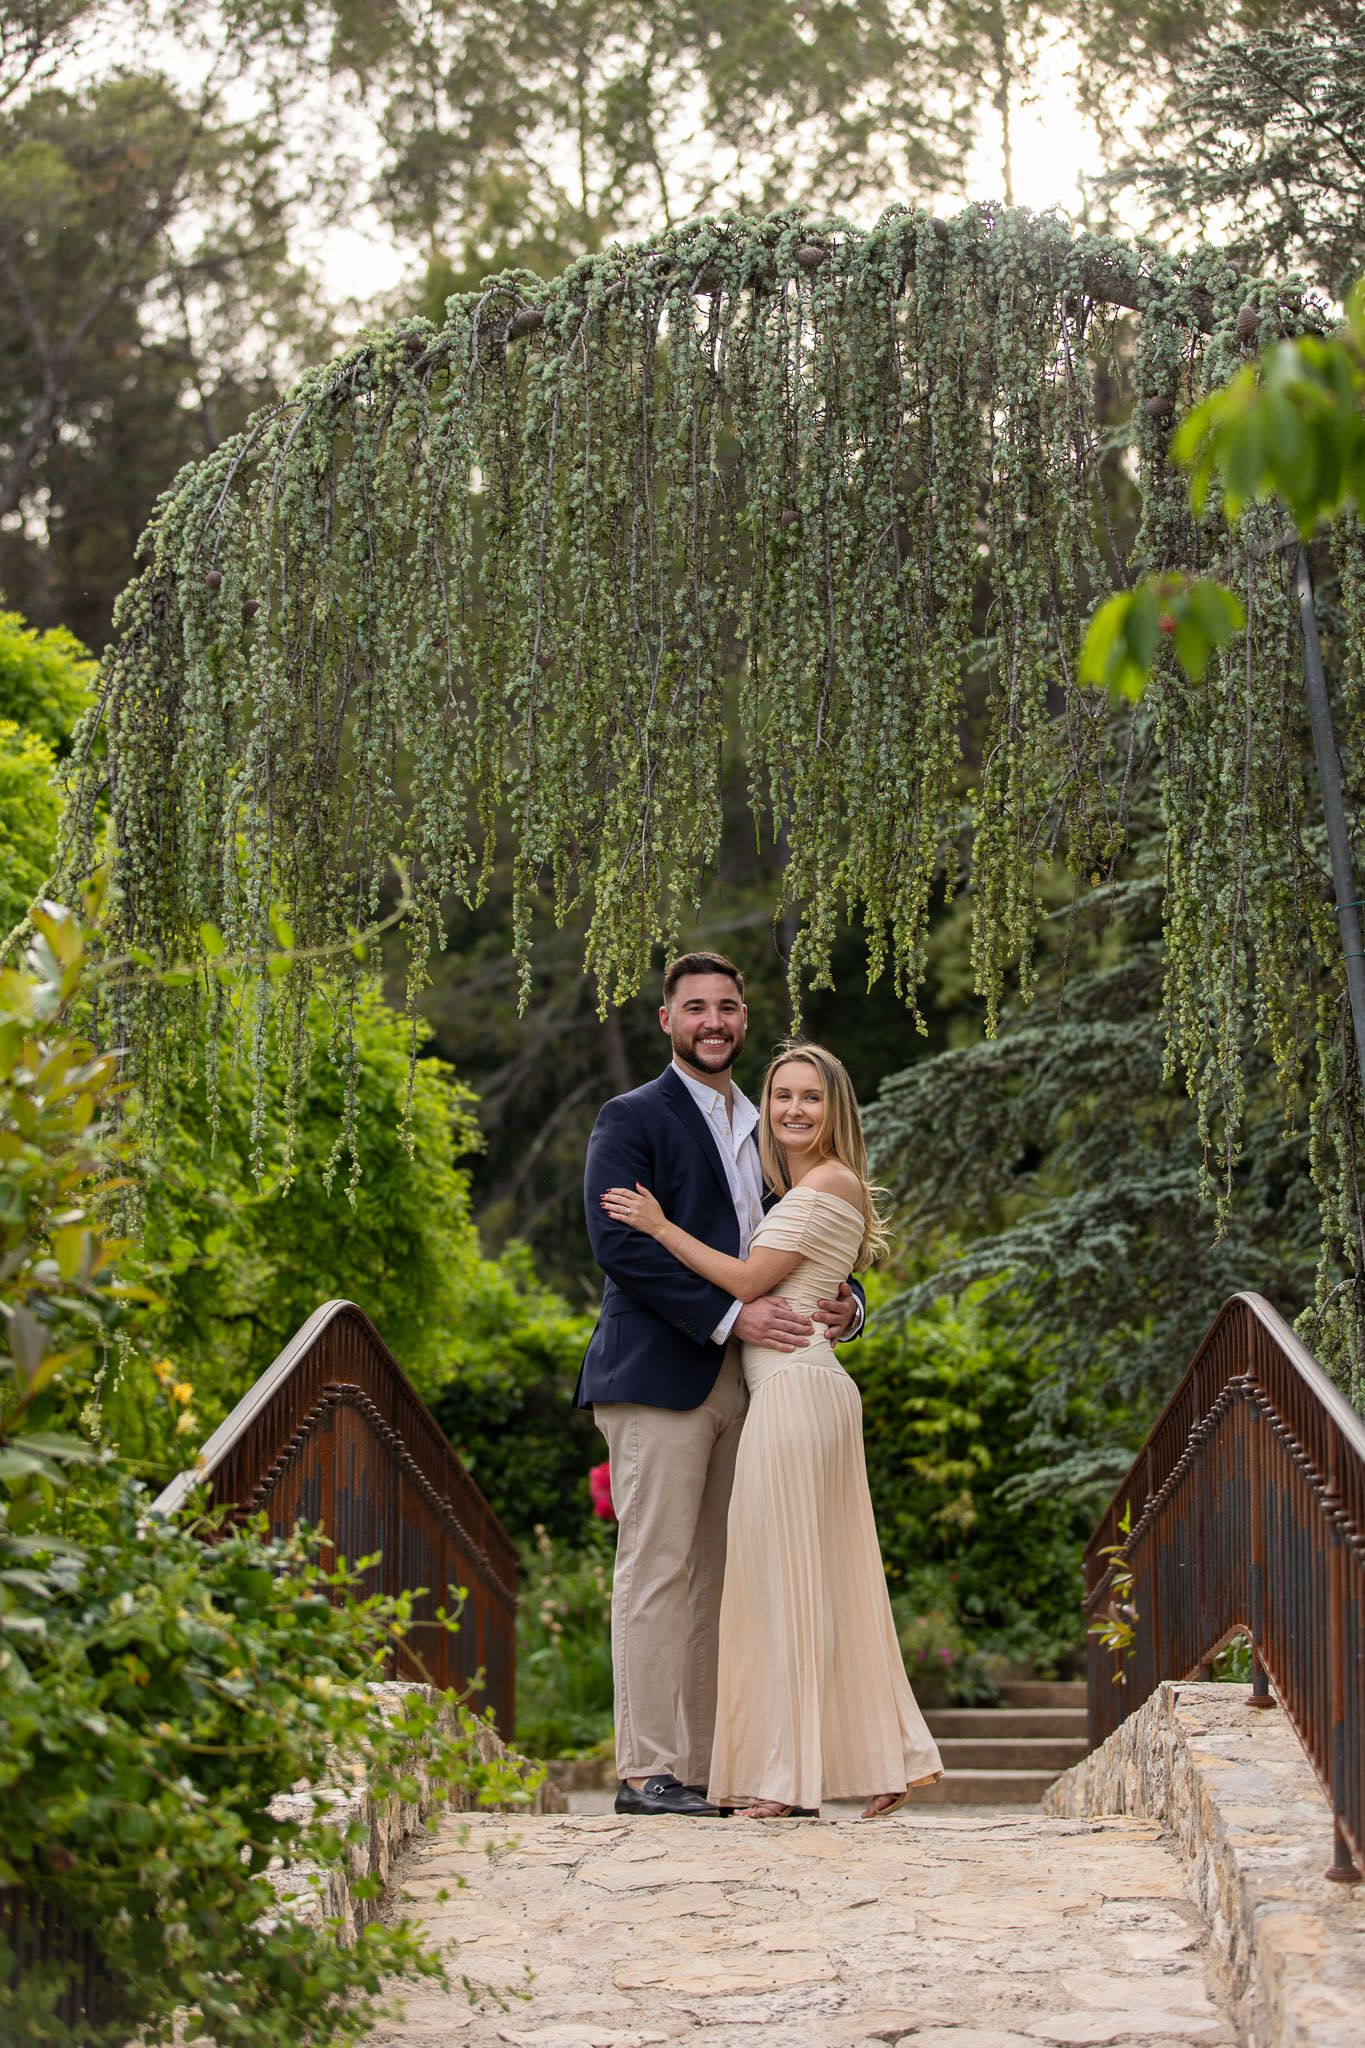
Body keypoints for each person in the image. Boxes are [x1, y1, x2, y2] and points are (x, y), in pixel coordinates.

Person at [601, 1041, 942, 1820]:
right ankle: (879, 1758)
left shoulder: (823, 1181)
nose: (793, 1109)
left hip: (790, 1392)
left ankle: (788, 1781)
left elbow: (752, 1280)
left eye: (810, 1097)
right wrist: (847, 1301)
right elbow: (815, 1271)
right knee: (824, 1582)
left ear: (836, 1109)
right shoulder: (795, 1179)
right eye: (782, 1095)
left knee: (780, 1588)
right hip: (795, 1387)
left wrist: (659, 1225)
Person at [577, 954, 866, 1818]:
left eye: (728, 1007)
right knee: (658, 1568)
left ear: (744, 1019)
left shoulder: (773, 1126)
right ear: (666, 1020)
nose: (713, 1021)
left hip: (755, 1385)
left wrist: (846, 1302)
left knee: (723, 1579)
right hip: (660, 1375)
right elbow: (619, 1246)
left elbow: (804, 1236)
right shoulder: (631, 1117)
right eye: (695, 1007)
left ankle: (710, 1769)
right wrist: (729, 1317)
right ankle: (646, 1772)